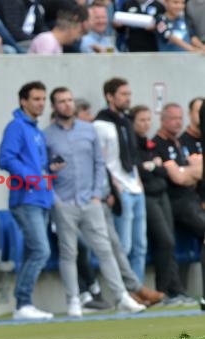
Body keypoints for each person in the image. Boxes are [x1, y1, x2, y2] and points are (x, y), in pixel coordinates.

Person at [44, 87, 146, 317]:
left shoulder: (88, 130)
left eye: (70, 100)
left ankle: (121, 297)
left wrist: (96, 194)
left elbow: (100, 164)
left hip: (91, 201)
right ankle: (73, 301)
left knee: (105, 249)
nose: (67, 104)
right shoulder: (47, 135)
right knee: (68, 252)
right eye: (61, 101)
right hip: (64, 203)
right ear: (54, 107)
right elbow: (43, 170)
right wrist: (55, 199)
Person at [0, 81, 54, 320]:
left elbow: (36, 164)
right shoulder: (16, 127)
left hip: (41, 198)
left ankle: (24, 304)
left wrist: (50, 169)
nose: (41, 103)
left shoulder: (36, 130)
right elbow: (5, 159)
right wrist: (32, 179)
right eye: (36, 99)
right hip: (25, 197)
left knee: (35, 250)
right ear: (24, 101)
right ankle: (22, 303)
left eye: (43, 99)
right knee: (41, 250)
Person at [132, 105, 194, 305]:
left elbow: (161, 172)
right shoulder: (136, 145)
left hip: (162, 194)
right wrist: (153, 167)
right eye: (141, 120)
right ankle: (164, 290)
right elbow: (143, 171)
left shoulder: (149, 144)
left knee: (170, 242)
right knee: (164, 241)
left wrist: (155, 168)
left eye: (148, 119)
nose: (145, 124)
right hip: (147, 197)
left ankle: (173, 290)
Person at [93, 78, 148, 283]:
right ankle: (125, 291)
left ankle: (139, 288)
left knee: (140, 244)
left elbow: (132, 155)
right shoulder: (100, 124)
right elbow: (100, 159)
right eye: (123, 94)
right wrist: (111, 188)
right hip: (119, 189)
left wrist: (138, 181)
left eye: (129, 94)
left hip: (135, 186)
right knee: (123, 245)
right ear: (110, 96)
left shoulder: (126, 121)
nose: (128, 98)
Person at [152, 103, 203, 307]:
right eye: (173, 118)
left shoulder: (178, 143)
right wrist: (189, 173)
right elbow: (179, 179)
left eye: (180, 118)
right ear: (163, 120)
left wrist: (188, 173)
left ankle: (179, 289)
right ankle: (171, 291)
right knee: (168, 242)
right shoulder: (158, 144)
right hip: (174, 202)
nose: (177, 122)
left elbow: (196, 176)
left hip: (191, 200)